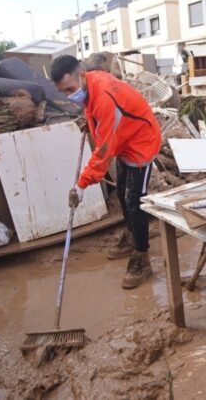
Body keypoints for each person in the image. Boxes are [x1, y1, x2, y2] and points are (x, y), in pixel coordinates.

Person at [51, 55, 161, 289]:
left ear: (81, 76)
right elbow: (96, 111)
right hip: (125, 138)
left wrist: (81, 185)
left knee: (135, 201)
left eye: (70, 89)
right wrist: (89, 120)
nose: (69, 96)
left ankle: (142, 257)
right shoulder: (90, 81)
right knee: (122, 192)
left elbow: (103, 151)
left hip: (141, 142)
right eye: (63, 92)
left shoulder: (103, 97)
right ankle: (131, 234)